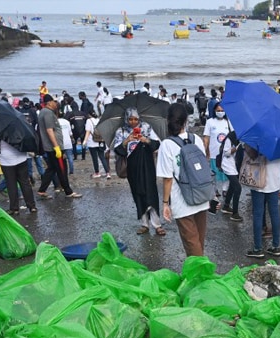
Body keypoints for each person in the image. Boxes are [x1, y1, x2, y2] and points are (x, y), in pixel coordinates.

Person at [157, 103, 209, 257]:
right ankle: (202, 272)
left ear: (168, 121)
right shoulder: (196, 139)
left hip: (182, 201)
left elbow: (167, 179)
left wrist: (165, 204)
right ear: (186, 121)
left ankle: (199, 276)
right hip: (202, 196)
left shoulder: (167, 145)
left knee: (191, 244)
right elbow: (204, 168)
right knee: (199, 241)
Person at [114, 107, 164, 236]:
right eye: (130, 119)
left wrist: (145, 140)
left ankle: (157, 224)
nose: (133, 122)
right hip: (132, 167)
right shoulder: (122, 131)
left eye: (136, 119)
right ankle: (144, 224)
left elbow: (156, 144)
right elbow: (117, 149)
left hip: (147, 166)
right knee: (138, 194)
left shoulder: (146, 127)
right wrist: (126, 141)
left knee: (151, 193)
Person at [35, 94, 82, 199]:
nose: (56, 103)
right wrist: (56, 147)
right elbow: (49, 130)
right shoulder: (47, 113)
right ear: (49, 103)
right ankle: (68, 192)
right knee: (62, 169)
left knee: (51, 168)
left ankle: (42, 190)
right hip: (54, 147)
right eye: (54, 101)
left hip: (50, 146)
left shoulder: (44, 112)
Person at [243, 144, 280, 259]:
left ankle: (258, 248)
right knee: (274, 213)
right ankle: (276, 246)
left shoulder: (257, 140)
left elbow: (250, 156)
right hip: (275, 182)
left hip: (258, 181)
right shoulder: (279, 142)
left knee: (257, 214)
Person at [203, 103, 232, 209]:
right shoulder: (210, 122)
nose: (220, 112)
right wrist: (206, 151)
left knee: (225, 173)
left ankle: (225, 190)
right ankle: (215, 190)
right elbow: (206, 137)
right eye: (218, 110)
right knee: (214, 173)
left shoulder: (228, 122)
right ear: (214, 111)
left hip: (226, 153)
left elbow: (233, 136)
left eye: (222, 110)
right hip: (214, 153)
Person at [219, 130, 242, 221]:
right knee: (238, 188)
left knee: (232, 186)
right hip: (228, 165)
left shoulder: (240, 138)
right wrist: (235, 148)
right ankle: (235, 213)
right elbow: (226, 153)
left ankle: (226, 206)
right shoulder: (230, 138)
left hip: (234, 166)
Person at [84, 110, 110, 179]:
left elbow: (88, 132)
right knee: (102, 157)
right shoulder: (99, 120)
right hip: (100, 141)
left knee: (94, 158)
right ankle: (108, 173)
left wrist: (84, 141)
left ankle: (97, 173)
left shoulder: (89, 121)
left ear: (89, 115)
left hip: (92, 142)